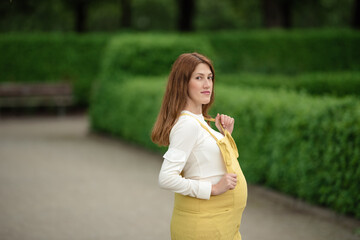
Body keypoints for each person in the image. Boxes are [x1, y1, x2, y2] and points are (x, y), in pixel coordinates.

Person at [151, 52, 247, 240]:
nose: (207, 84)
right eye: (199, 78)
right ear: (182, 83)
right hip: (205, 226)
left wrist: (224, 135)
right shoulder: (187, 124)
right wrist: (212, 189)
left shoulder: (200, 121)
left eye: (210, 78)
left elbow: (206, 162)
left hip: (222, 224)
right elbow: (166, 178)